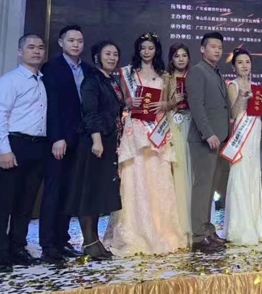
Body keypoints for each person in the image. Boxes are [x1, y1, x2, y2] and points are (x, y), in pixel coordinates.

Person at [104, 33, 186, 256]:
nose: (147, 52)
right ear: (138, 50)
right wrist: (129, 102)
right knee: (135, 177)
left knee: (157, 178)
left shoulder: (164, 75)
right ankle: (135, 230)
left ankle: (160, 229)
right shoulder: (128, 73)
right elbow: (121, 101)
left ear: (156, 50)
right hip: (136, 131)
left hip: (157, 130)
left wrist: (165, 104)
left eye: (150, 48)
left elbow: (171, 103)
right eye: (143, 48)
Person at [64, 41, 124, 260]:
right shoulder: (92, 79)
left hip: (109, 140)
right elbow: (90, 112)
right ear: (97, 57)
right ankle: (89, 242)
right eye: (107, 53)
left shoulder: (111, 80)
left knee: (98, 193)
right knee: (88, 193)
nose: (112, 57)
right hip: (93, 143)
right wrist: (96, 140)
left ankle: (95, 240)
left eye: (115, 54)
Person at [40, 25, 91, 264]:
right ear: (61, 42)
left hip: (81, 140)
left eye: (79, 41)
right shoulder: (52, 68)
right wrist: (56, 137)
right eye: (71, 40)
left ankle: (62, 240)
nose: (76, 44)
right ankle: (48, 244)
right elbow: (50, 106)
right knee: (54, 192)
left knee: (70, 193)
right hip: (60, 140)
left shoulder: (88, 69)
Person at [0, 35, 49, 273]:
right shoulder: (10, 80)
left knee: (26, 203)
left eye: (40, 48)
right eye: (31, 47)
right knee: (5, 203)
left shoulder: (43, 81)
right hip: (15, 144)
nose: (36, 51)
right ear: (20, 52)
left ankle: (17, 248)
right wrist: (4, 151)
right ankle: (1, 254)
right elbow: (1, 116)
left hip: (38, 147)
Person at [187, 32, 231, 253]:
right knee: (202, 187)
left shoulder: (216, 72)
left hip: (219, 138)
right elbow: (196, 105)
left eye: (220, 47)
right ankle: (198, 235)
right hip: (205, 139)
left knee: (211, 188)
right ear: (202, 49)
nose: (217, 50)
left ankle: (207, 230)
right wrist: (207, 133)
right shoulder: (197, 71)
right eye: (213, 46)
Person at [223, 49, 262, 245]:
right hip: (241, 134)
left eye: (247, 62)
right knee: (240, 174)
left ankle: (255, 226)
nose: (244, 65)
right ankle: (240, 227)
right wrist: (242, 98)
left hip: (255, 131)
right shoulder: (232, 85)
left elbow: (258, 112)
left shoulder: (257, 87)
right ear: (234, 66)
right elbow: (233, 113)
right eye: (240, 62)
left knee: (253, 175)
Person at [166, 43, 193, 245]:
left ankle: (193, 221)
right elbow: (162, 105)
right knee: (177, 171)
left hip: (191, 123)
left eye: (184, 55)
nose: (181, 59)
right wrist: (172, 101)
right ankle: (177, 224)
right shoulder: (166, 78)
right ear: (171, 59)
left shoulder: (194, 77)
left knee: (192, 173)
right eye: (177, 56)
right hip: (172, 125)